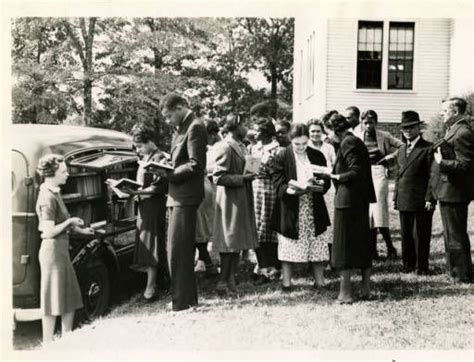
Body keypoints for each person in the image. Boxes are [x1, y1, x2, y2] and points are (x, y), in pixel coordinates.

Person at [316, 114, 376, 303]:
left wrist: (336, 177)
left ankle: (345, 293)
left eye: (327, 132)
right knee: (362, 241)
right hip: (358, 199)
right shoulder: (355, 140)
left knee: (343, 246)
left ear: (333, 130)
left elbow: (355, 170)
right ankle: (365, 289)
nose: (328, 137)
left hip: (348, 200)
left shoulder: (347, 142)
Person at [156, 93, 207, 311]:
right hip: (178, 195)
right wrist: (166, 164)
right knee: (180, 249)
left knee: (178, 250)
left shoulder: (195, 127)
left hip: (185, 196)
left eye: (169, 116)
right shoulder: (182, 128)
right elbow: (183, 160)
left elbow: (196, 164)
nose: (168, 121)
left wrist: (169, 173)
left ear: (179, 108)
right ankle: (186, 298)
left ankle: (181, 302)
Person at [35, 154, 94, 343]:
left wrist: (83, 231)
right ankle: (48, 342)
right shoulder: (46, 196)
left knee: (68, 294)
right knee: (52, 296)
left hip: (60, 250)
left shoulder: (55, 192)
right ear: (51, 173)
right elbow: (48, 231)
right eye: (63, 171)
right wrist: (70, 221)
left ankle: (67, 337)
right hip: (52, 252)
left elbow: (62, 223)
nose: (67, 174)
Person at [270, 123, 331, 292]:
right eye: (297, 144)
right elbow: (277, 180)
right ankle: (287, 283)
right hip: (291, 206)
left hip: (313, 205)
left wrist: (320, 184)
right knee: (289, 243)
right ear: (291, 140)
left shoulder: (317, 155)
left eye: (305, 143)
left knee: (317, 242)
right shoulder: (282, 155)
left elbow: (326, 179)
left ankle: (320, 281)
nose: (301, 147)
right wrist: (288, 190)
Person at [212, 113, 259, 295]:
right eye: (244, 125)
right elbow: (218, 177)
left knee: (237, 241)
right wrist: (242, 178)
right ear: (235, 126)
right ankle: (223, 282)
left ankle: (231, 281)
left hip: (242, 197)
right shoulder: (225, 147)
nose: (247, 128)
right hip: (230, 200)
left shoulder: (242, 146)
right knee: (228, 242)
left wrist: (252, 172)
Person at [430, 97, 474, 283]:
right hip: (450, 190)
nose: (442, 113)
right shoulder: (454, 129)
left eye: (445, 110)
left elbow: (466, 165)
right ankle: (455, 271)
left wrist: (443, 163)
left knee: (455, 234)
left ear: (455, 112)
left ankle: (462, 275)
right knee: (451, 233)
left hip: (456, 192)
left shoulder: (463, 132)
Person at [126, 124, 170, 302]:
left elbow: (160, 186)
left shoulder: (159, 157)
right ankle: (159, 281)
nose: (138, 150)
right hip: (144, 206)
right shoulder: (147, 157)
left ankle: (151, 286)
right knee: (146, 243)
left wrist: (137, 192)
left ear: (150, 142)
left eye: (140, 146)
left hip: (154, 206)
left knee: (152, 244)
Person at [354, 110, 403, 260]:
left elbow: (402, 146)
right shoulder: (356, 136)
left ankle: (390, 247)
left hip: (379, 172)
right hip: (362, 175)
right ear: (362, 123)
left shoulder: (384, 136)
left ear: (376, 122)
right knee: (368, 213)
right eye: (366, 123)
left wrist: (390, 157)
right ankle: (372, 250)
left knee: (379, 210)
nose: (369, 126)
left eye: (372, 122)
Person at [393, 111, 436, 275]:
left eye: (411, 127)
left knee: (420, 234)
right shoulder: (402, 149)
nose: (407, 131)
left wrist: (430, 198)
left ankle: (421, 267)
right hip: (404, 198)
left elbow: (434, 175)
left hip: (421, 200)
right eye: (404, 128)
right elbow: (398, 174)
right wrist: (395, 196)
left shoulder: (428, 148)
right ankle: (408, 264)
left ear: (419, 127)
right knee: (406, 234)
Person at [248, 118, 281, 284]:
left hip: (270, 191)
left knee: (268, 230)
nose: (254, 133)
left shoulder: (276, 150)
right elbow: (251, 170)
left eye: (258, 130)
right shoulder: (254, 148)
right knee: (256, 229)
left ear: (267, 132)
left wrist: (264, 167)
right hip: (255, 190)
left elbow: (276, 172)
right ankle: (262, 267)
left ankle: (271, 268)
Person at [307, 118, 337, 265]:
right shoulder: (303, 147)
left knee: (328, 223)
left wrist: (327, 173)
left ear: (322, 132)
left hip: (327, 189)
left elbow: (335, 167)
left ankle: (329, 257)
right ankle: (311, 257)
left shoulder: (328, 148)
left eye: (318, 131)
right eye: (312, 131)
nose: (315, 134)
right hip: (310, 189)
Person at [194, 120, 221, 276]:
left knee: (201, 226)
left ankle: (207, 262)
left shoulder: (211, 148)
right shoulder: (204, 147)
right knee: (200, 226)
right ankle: (204, 261)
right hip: (204, 185)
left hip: (203, 186)